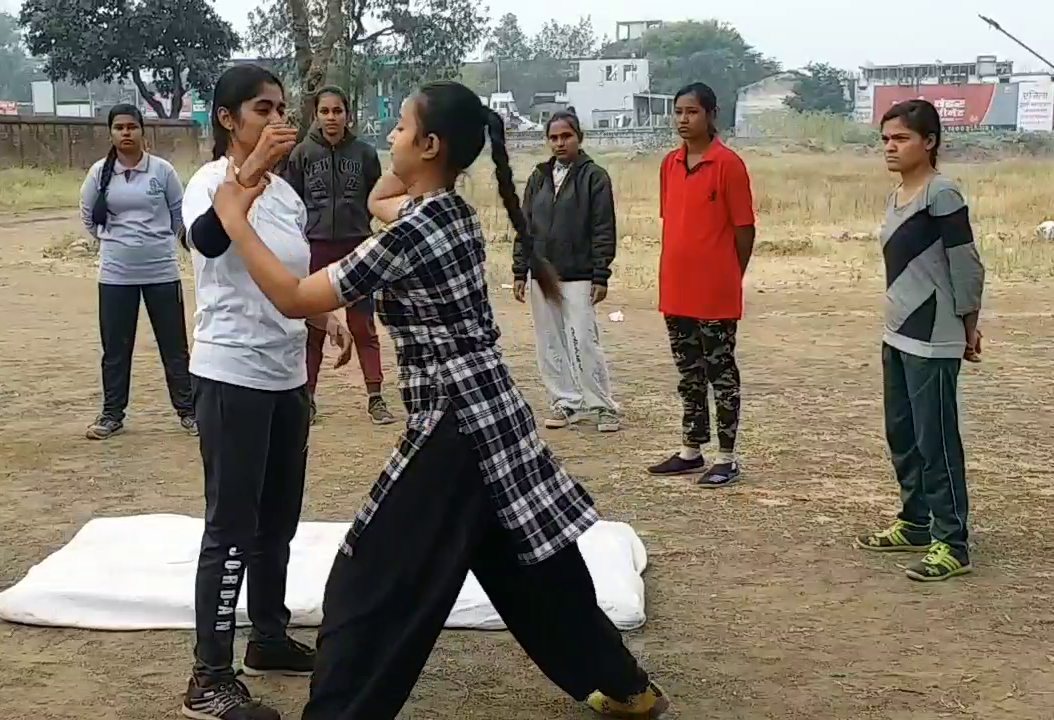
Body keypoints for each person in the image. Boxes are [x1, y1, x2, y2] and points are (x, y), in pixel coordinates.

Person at [210, 79, 670, 720]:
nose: (389, 137)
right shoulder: (447, 213)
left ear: (429, 144)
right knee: (533, 569)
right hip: (492, 416)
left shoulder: (414, 234)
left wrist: (235, 215)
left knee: (365, 583)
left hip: (456, 424)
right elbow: (384, 197)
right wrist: (411, 168)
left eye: (400, 127)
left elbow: (293, 297)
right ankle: (628, 690)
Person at [177, 64, 353, 720]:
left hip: (286, 379)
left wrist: (322, 315)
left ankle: (269, 637)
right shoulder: (209, 184)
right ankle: (209, 677)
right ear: (227, 119)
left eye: (282, 108)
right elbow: (209, 238)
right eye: (261, 109)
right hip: (231, 377)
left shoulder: (285, 195)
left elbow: (282, 274)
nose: (278, 119)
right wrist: (247, 173)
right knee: (230, 527)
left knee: (277, 521)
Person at [855, 99, 985, 583]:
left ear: (929, 142)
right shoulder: (897, 196)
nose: (891, 147)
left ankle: (952, 542)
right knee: (903, 435)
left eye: (902, 138)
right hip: (898, 332)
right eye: (886, 139)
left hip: (935, 337)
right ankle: (915, 521)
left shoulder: (942, 194)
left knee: (938, 441)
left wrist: (968, 326)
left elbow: (966, 264)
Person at [648, 82, 755, 488]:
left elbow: (744, 229)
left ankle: (727, 457)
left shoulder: (728, 164)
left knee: (721, 373)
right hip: (676, 288)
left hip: (716, 291)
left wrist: (730, 272)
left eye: (691, 112)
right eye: (678, 112)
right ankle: (691, 450)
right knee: (688, 374)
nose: (682, 120)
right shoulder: (669, 165)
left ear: (711, 115)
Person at [79, 103, 195, 440]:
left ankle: (188, 411)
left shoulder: (162, 172)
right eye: (119, 128)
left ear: (143, 130)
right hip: (116, 275)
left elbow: (179, 215)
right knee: (116, 348)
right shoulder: (99, 173)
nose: (126, 133)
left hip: (161, 271)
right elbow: (88, 216)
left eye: (132, 126)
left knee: (174, 345)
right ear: (111, 133)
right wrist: (115, 241)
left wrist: (156, 240)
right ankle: (112, 414)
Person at [283, 86, 393, 425]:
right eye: (325, 111)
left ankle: (375, 396)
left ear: (348, 114)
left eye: (338, 111)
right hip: (315, 247)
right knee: (314, 326)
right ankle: (308, 399)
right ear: (316, 115)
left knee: (362, 324)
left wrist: (363, 222)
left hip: (356, 245)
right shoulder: (301, 153)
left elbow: (378, 193)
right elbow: (290, 200)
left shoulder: (364, 153)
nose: (331, 118)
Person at [513, 110, 620, 433]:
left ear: (579, 137)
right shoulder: (538, 177)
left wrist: (601, 274)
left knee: (584, 339)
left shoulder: (594, 177)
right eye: (554, 137)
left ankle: (602, 406)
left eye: (566, 136)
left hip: (580, 273)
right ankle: (565, 402)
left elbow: (604, 229)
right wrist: (520, 270)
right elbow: (525, 226)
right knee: (549, 342)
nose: (559, 143)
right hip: (543, 274)